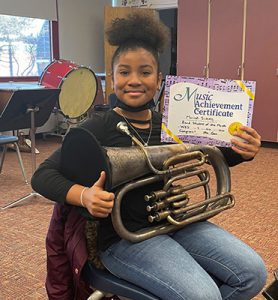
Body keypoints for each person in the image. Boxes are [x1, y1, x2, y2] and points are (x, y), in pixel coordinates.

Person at [32, 11, 267, 300]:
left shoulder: (172, 123)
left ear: (158, 81)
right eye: (124, 72)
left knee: (253, 274)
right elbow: (42, 176)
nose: (134, 80)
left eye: (145, 72)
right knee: (203, 296)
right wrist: (84, 196)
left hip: (176, 222)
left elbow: (213, 153)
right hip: (122, 239)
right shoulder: (96, 128)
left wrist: (243, 152)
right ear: (112, 78)